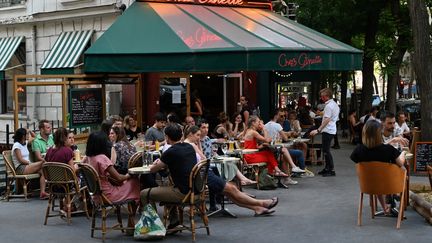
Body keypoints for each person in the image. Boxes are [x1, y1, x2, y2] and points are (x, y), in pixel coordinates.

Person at [141, 124, 278, 228]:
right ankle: (259, 205)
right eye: (198, 134)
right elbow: (202, 159)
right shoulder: (188, 147)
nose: (200, 135)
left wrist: (158, 163)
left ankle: (152, 226)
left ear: (167, 137)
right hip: (198, 182)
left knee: (144, 193)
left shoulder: (173, 150)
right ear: (183, 134)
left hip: (189, 186)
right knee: (231, 191)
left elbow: (155, 169)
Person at [83, 131, 140, 227]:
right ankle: (131, 223)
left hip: (95, 194)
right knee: (135, 182)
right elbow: (119, 178)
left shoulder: (88, 158)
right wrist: (129, 174)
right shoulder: (102, 158)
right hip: (108, 195)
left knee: (126, 184)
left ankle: (131, 223)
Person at [350, 120, 406, 215]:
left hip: (368, 185)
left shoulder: (358, 150)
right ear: (379, 134)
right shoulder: (389, 150)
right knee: (402, 172)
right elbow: (401, 163)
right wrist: (403, 153)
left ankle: (385, 208)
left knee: (375, 177)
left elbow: (358, 162)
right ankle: (395, 200)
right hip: (391, 185)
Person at [264, 109, 306, 174]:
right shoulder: (277, 125)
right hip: (277, 151)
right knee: (299, 152)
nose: (282, 117)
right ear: (276, 116)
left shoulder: (265, 126)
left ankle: (292, 172)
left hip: (270, 150)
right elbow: (285, 138)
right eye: (280, 116)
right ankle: (301, 172)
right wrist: (287, 134)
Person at [310, 88, 340, 177]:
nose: (321, 98)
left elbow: (327, 119)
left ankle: (331, 169)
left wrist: (318, 130)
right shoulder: (334, 104)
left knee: (326, 150)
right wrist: (321, 114)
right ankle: (327, 168)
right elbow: (330, 116)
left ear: (327, 96)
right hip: (331, 129)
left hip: (328, 130)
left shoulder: (329, 106)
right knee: (326, 150)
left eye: (322, 96)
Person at [12, 128, 48, 199]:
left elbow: (35, 137)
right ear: (23, 136)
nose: (29, 135)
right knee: (43, 163)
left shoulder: (24, 143)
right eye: (27, 134)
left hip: (27, 166)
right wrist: (30, 163)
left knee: (43, 170)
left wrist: (29, 130)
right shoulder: (16, 145)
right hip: (21, 168)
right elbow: (21, 160)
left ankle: (42, 193)